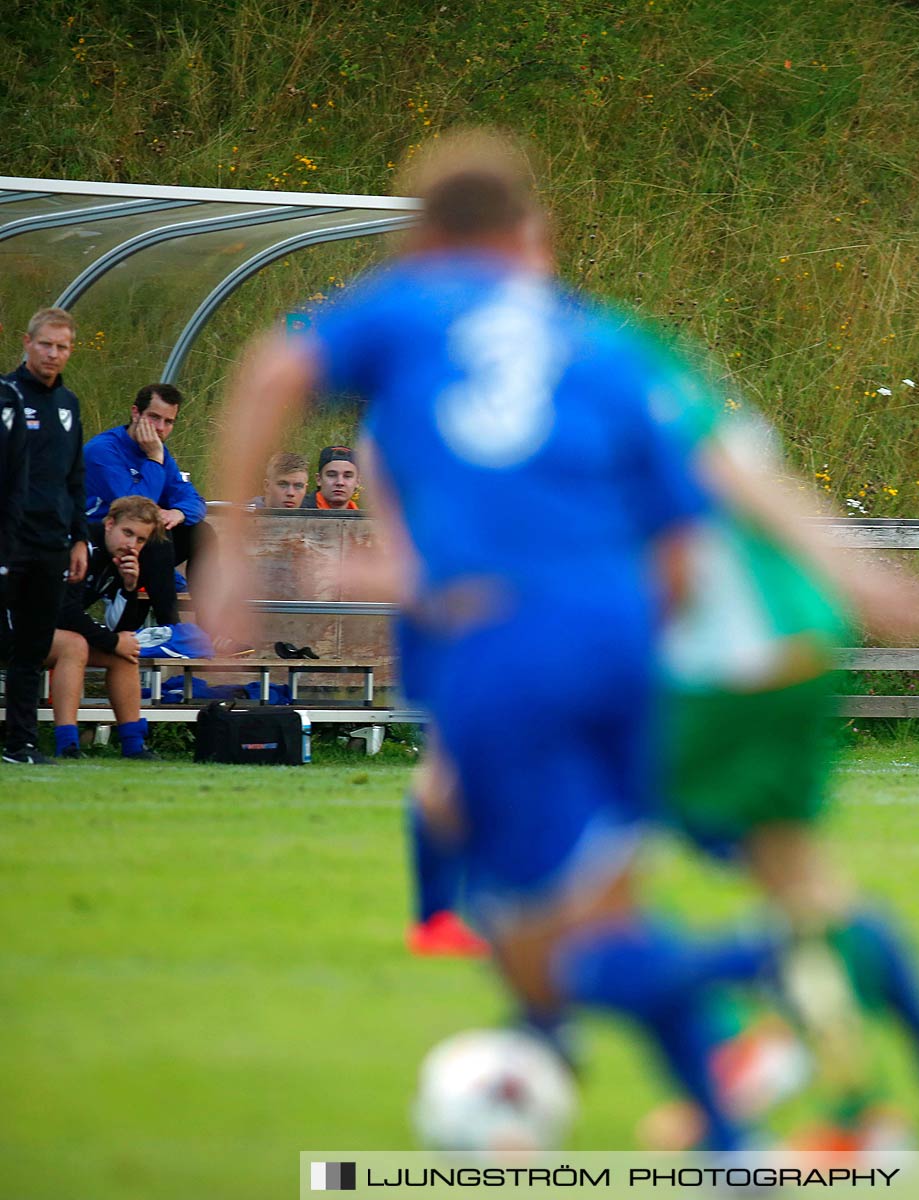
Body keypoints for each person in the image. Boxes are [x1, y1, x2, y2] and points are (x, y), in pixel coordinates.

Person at [200, 131, 774, 1152]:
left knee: (537, 938)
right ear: (530, 234)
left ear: (424, 233)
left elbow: (272, 370)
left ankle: (766, 958)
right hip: (625, 637)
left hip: (512, 645)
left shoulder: (416, 306)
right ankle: (730, 1138)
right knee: (596, 911)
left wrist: (231, 556)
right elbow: (685, 539)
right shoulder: (603, 339)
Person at [647, 376, 919, 1150]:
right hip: (793, 640)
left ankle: (752, 1058)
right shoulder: (662, 376)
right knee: (804, 890)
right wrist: (856, 576)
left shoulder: (588, 390)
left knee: (586, 873)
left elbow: (690, 525)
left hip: (723, 666)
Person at [2, 307, 89, 766]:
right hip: (8, 541)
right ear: (27, 342)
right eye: (46, 344)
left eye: (62, 347)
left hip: (51, 543)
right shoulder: (7, 396)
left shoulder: (69, 405)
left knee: (33, 648)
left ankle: (21, 744)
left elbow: (74, 476)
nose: (53, 354)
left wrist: (78, 538)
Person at [32, 495, 163, 760]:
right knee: (76, 644)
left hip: (48, 634)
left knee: (125, 653)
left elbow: (120, 628)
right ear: (109, 523)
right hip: (17, 627)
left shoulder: (120, 560)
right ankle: (67, 744)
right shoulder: (81, 546)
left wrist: (129, 588)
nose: (132, 545)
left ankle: (133, 745)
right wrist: (113, 641)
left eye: (140, 540)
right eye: (127, 533)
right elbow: (65, 612)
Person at [83, 382, 211, 625]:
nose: (160, 428)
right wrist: (154, 459)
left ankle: (211, 630)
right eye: (154, 417)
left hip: (137, 545)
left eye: (169, 421)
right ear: (135, 413)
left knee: (202, 533)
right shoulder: (103, 450)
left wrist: (179, 513)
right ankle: (169, 628)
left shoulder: (160, 453)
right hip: (99, 542)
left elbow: (195, 500)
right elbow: (136, 509)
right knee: (156, 536)